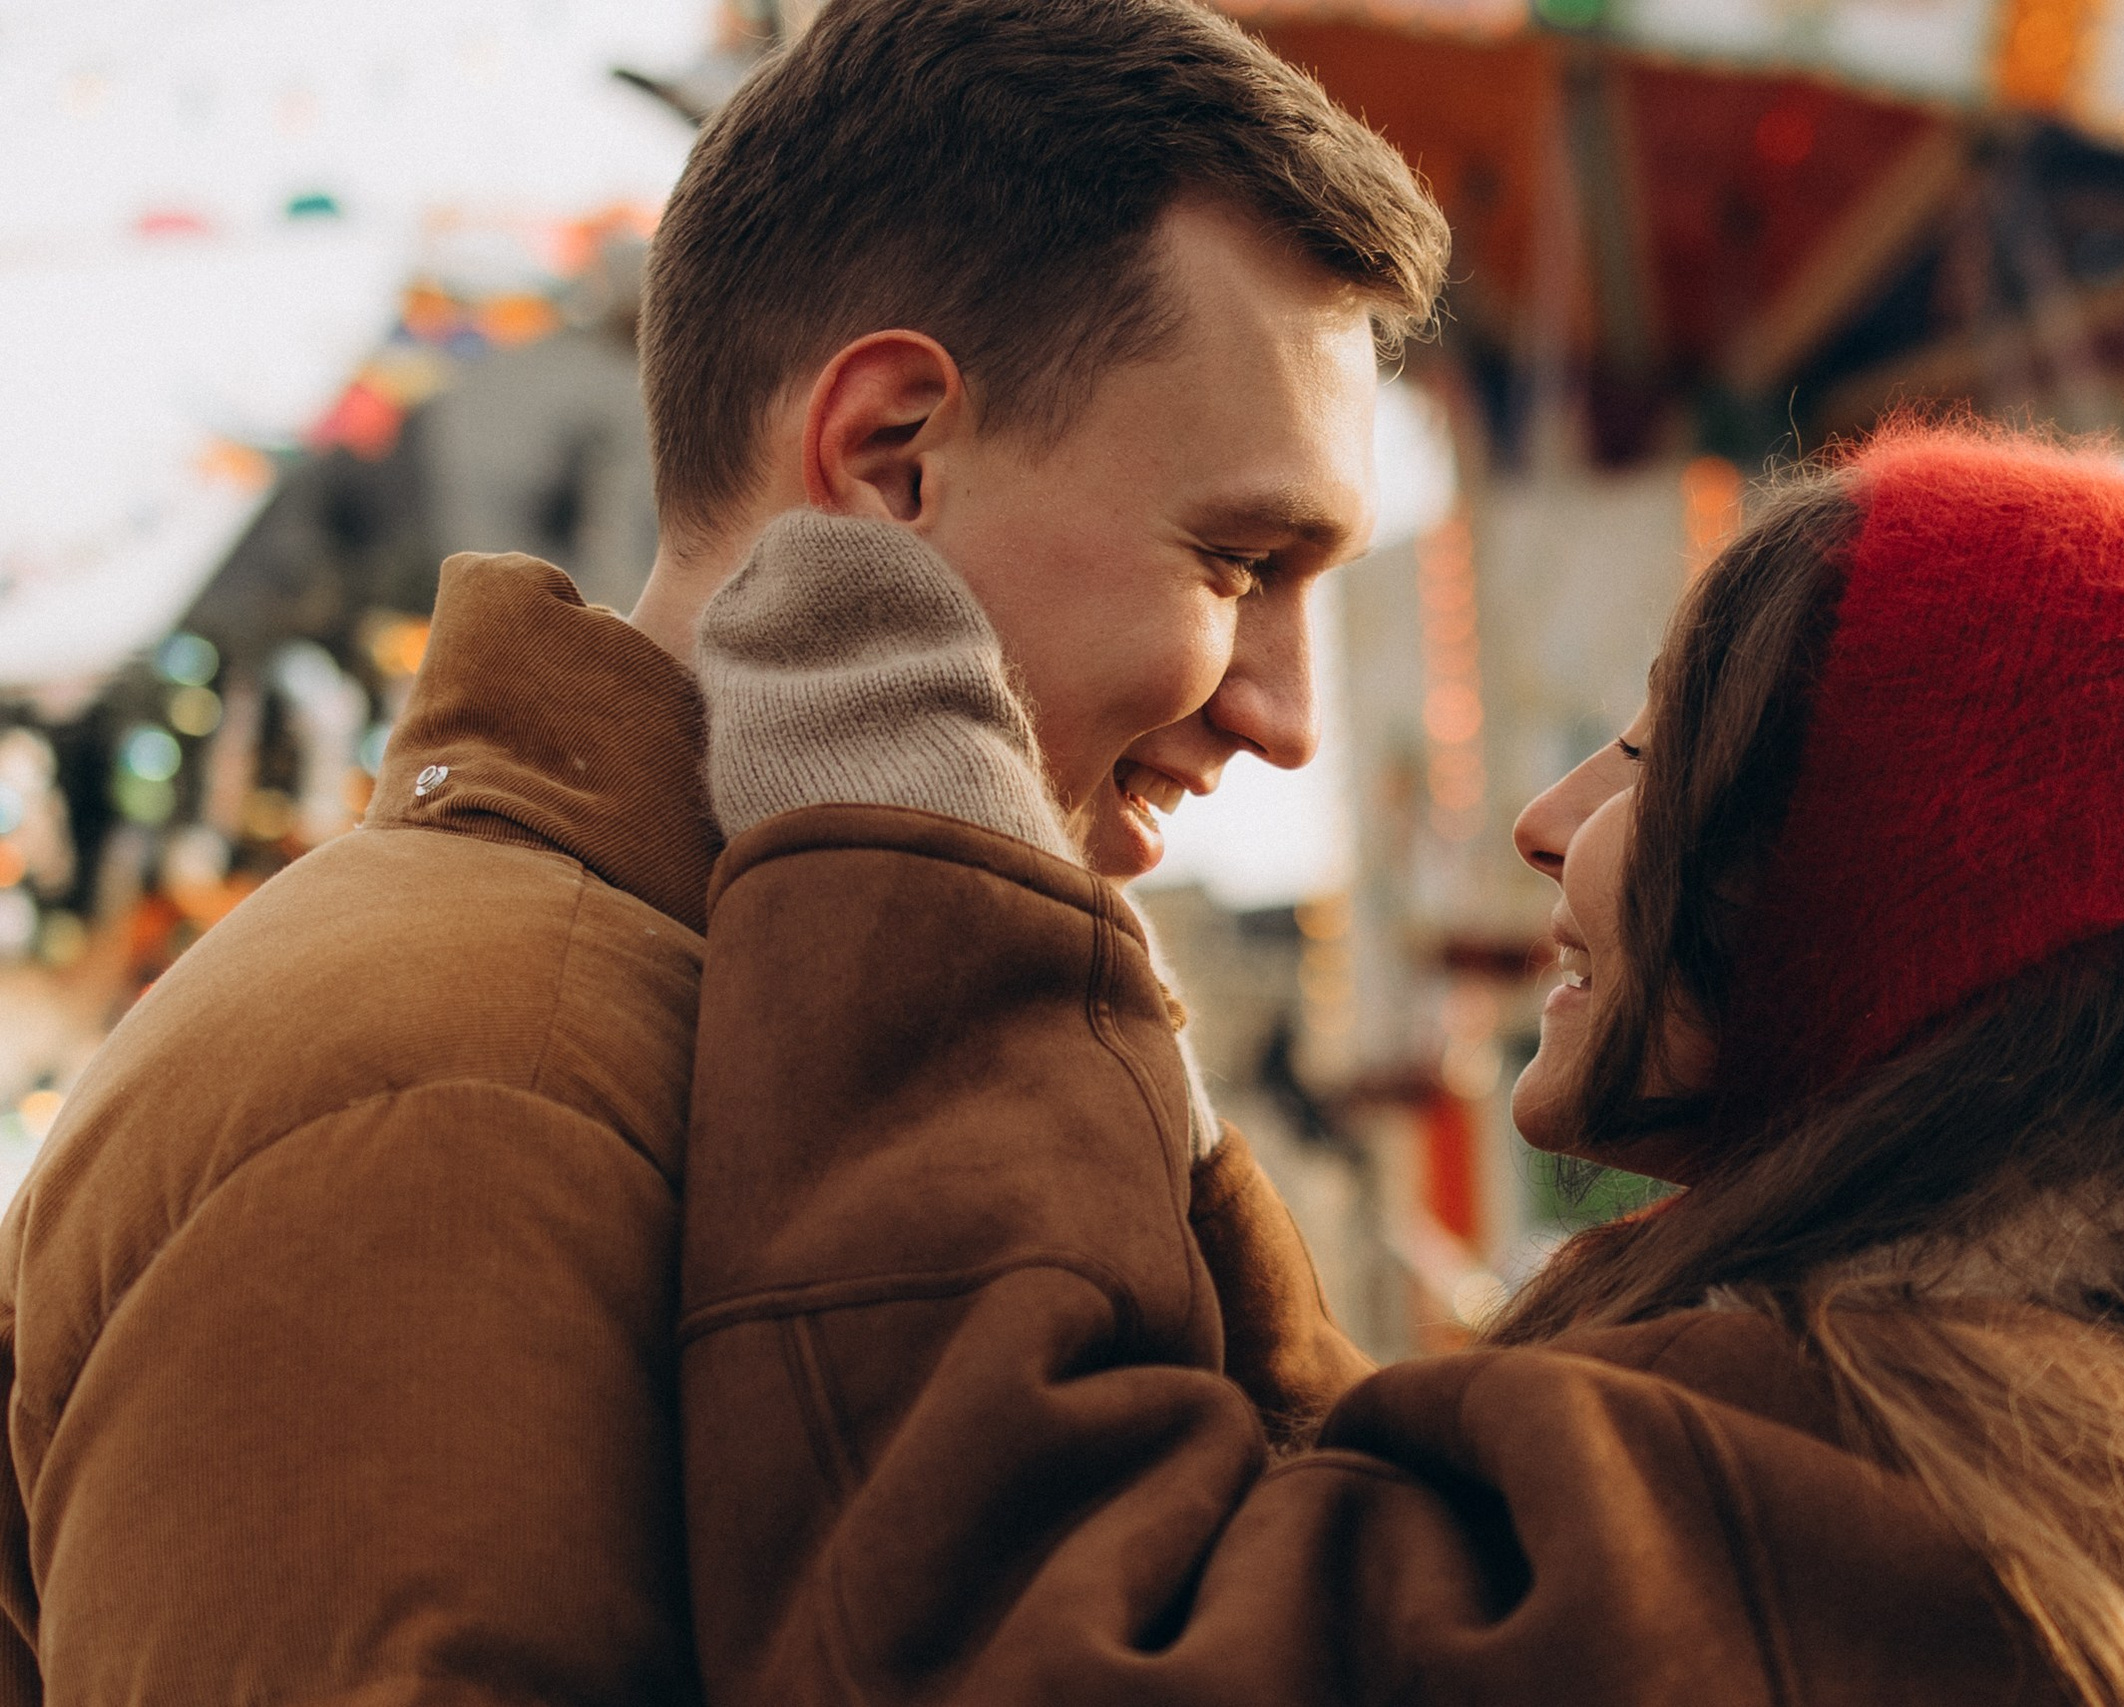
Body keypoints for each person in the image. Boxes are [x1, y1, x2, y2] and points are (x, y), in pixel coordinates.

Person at [0, 3, 1443, 1698]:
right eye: (1240, 562)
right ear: (888, 462)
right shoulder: (473, 1082)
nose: (1287, 719)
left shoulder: (789, 1039)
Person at [675, 427, 2124, 1706]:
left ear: (1857, 882)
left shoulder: (1898, 1490)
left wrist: (901, 827)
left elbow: (1012, 1644)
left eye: (1650, 760)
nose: (1550, 822)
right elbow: (1391, 1560)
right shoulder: (2110, 1457)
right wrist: (1139, 1114)